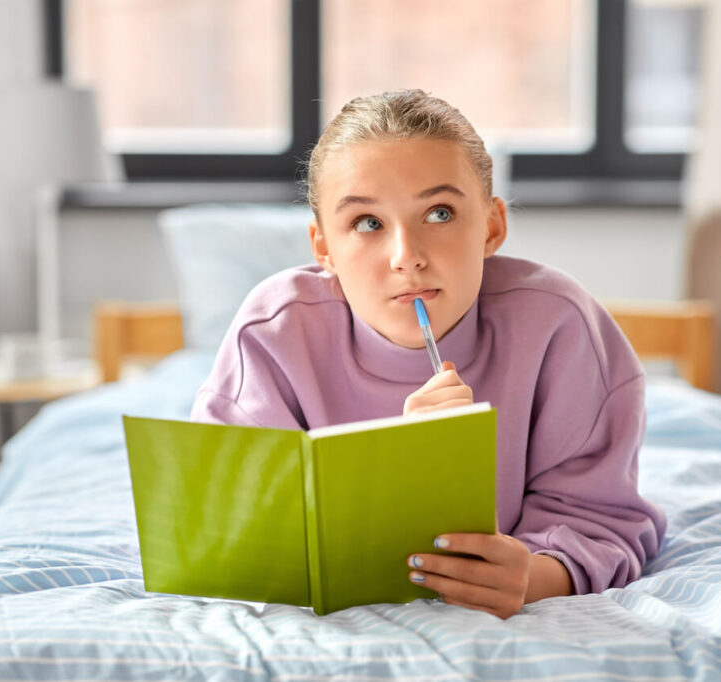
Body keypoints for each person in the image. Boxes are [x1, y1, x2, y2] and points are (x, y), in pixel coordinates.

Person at [192, 89, 666, 619]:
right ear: (323, 247)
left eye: (438, 213)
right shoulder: (272, 334)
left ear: (491, 227)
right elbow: (235, 533)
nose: (407, 258)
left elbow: (601, 522)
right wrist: (394, 464)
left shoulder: (561, 325)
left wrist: (532, 576)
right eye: (367, 224)